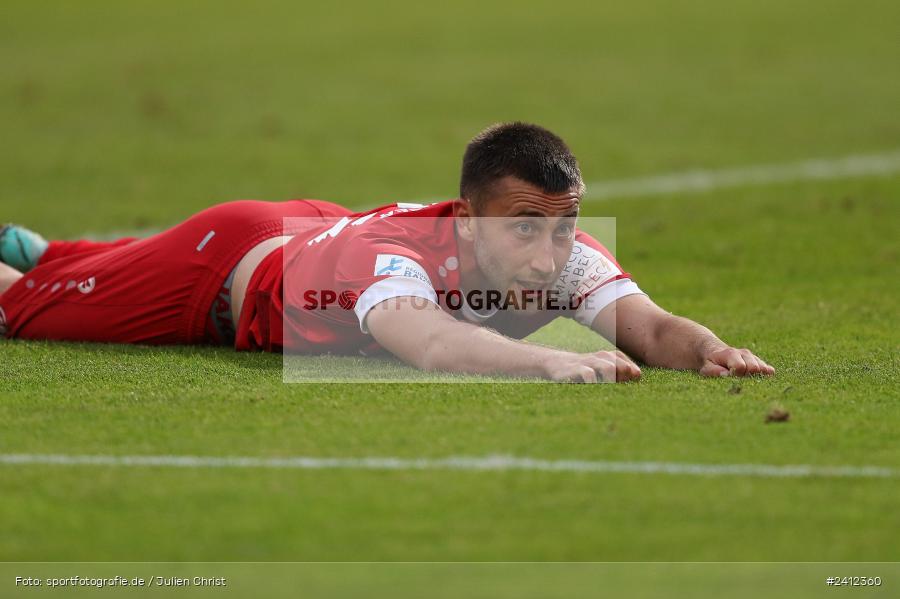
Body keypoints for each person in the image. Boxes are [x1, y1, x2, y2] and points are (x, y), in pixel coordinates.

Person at [0, 122, 774, 383]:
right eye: (526, 227)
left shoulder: (561, 250)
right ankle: (27, 266)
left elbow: (651, 327)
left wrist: (713, 350)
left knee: (79, 268)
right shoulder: (393, 261)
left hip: (310, 233)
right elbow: (431, 343)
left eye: (566, 225)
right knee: (17, 310)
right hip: (216, 273)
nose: (552, 250)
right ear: (466, 221)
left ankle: (42, 250)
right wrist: (547, 361)